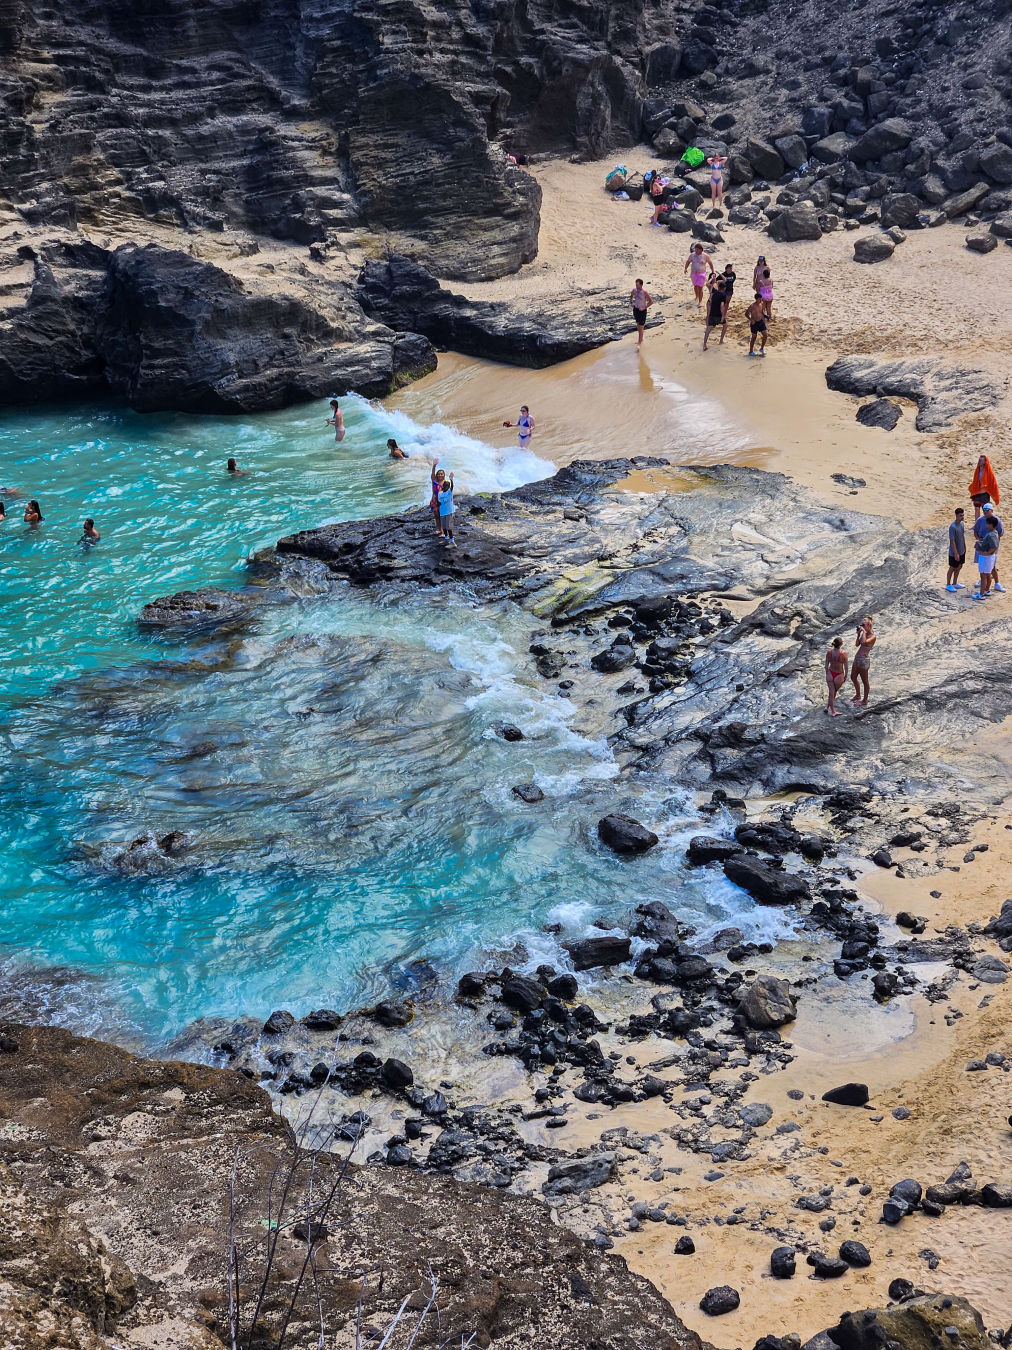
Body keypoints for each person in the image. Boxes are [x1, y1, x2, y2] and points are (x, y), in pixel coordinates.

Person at [973, 512, 1001, 599]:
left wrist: (985, 553)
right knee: (988, 574)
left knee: (983, 576)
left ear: (992, 525)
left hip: (986, 557)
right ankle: (986, 590)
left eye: (988, 524)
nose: (986, 525)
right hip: (989, 557)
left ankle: (981, 594)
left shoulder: (991, 535)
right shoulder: (995, 533)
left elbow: (993, 547)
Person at [850, 616, 875, 706]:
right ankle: (858, 695)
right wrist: (858, 634)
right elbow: (857, 644)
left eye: (863, 625)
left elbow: (864, 642)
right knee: (853, 677)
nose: (862, 626)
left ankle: (865, 700)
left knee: (865, 681)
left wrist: (863, 632)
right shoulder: (863, 634)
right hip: (857, 658)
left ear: (869, 625)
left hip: (864, 660)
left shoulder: (872, 636)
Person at [968, 454, 1000, 519]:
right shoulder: (978, 470)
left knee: (985, 510)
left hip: (984, 493)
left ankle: (988, 523)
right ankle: (977, 524)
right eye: (979, 460)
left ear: (985, 462)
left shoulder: (988, 471)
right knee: (977, 508)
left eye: (981, 461)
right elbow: (975, 481)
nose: (979, 462)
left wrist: (994, 494)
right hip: (977, 492)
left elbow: (993, 483)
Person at [684, 244, 714, 309]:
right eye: (695, 249)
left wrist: (712, 271)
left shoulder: (705, 256)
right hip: (693, 273)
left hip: (701, 274)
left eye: (697, 249)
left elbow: (710, 263)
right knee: (695, 286)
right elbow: (688, 261)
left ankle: (700, 302)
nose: (696, 250)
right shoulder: (692, 255)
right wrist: (685, 268)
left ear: (701, 250)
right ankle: (697, 296)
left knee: (700, 287)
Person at [824, 637, 848, 716]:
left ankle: (827, 707)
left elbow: (826, 663)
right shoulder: (843, 654)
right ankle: (833, 711)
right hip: (839, 675)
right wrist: (845, 676)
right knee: (833, 693)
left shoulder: (829, 652)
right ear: (841, 644)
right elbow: (846, 667)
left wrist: (827, 672)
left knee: (832, 692)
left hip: (830, 673)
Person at [702, 277, 728, 350]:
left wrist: (709, 314)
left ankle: (704, 344)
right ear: (724, 288)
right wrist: (723, 316)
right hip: (719, 315)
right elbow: (722, 306)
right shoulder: (723, 295)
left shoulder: (714, 293)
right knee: (725, 326)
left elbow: (709, 303)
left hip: (712, 314)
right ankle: (721, 340)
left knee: (708, 329)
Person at [946, 507, 967, 591]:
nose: (962, 517)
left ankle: (954, 583)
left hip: (961, 550)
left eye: (963, 515)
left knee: (959, 566)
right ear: (956, 516)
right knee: (952, 567)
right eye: (960, 515)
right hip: (954, 552)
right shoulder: (952, 527)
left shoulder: (962, 524)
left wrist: (964, 546)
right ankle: (948, 584)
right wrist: (955, 553)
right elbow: (952, 541)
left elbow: (962, 535)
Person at [630, 279, 653, 348]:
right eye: (635, 284)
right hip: (636, 310)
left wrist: (644, 308)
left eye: (637, 285)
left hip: (642, 311)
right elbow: (631, 296)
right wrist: (631, 303)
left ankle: (639, 343)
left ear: (641, 285)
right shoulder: (634, 290)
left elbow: (651, 302)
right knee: (638, 326)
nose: (636, 286)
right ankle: (641, 338)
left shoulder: (644, 292)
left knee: (641, 327)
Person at [429, 459, 447, 536]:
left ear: (444, 475)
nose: (440, 475)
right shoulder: (435, 481)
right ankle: (439, 529)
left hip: (442, 501)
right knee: (436, 516)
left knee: (442, 516)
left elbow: (448, 493)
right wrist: (434, 466)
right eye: (438, 474)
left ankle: (443, 532)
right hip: (434, 500)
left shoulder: (446, 483)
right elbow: (432, 475)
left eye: (441, 474)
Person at [746, 291, 767, 356]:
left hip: (761, 322)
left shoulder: (762, 304)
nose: (761, 300)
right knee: (754, 337)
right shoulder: (752, 306)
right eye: (759, 299)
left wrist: (765, 315)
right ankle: (751, 351)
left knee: (765, 335)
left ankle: (762, 348)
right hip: (754, 323)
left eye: (761, 299)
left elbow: (762, 311)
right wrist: (750, 319)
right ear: (756, 299)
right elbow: (746, 314)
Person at [437, 472, 456, 546]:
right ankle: (446, 539)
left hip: (449, 512)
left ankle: (452, 542)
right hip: (442, 512)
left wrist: (451, 480)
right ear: (443, 486)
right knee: (444, 527)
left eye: (447, 486)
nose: (446, 487)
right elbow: (439, 501)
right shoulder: (440, 493)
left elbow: (452, 487)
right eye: (445, 485)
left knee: (449, 527)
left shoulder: (449, 492)